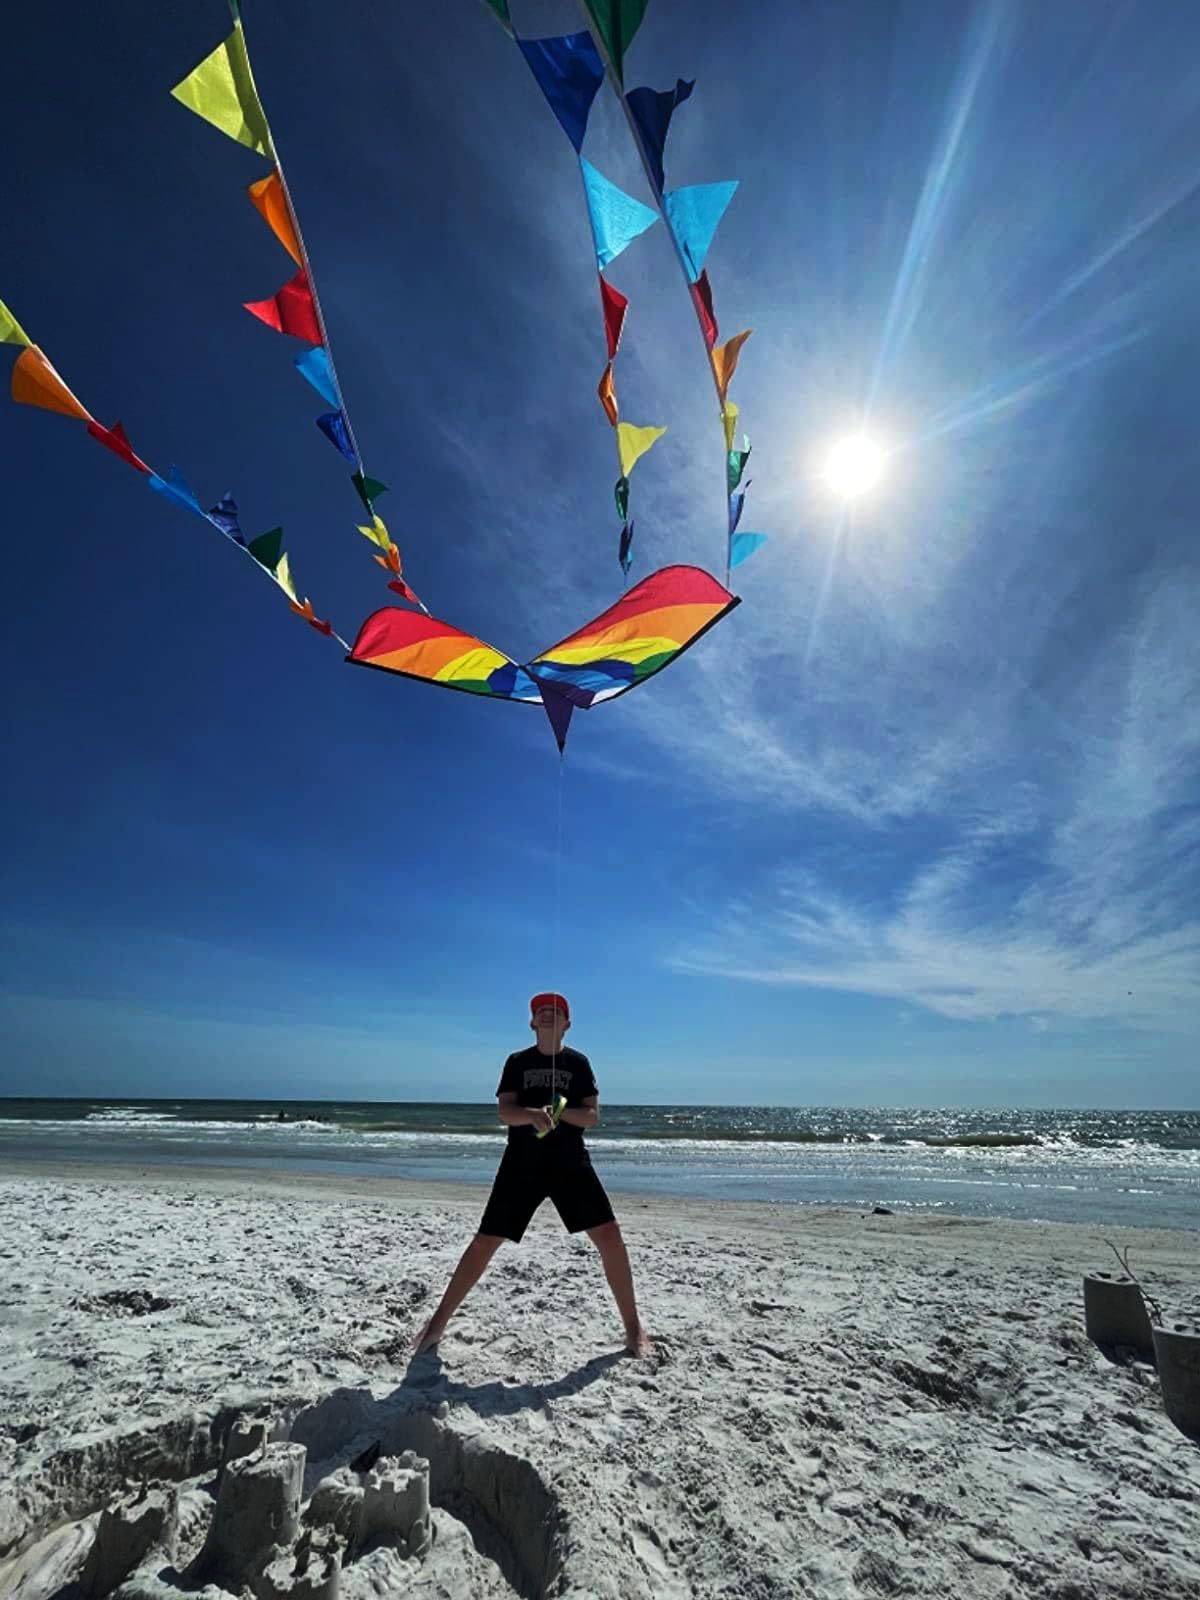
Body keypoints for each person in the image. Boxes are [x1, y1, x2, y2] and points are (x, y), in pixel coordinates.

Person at [413, 993, 651, 1358]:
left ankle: (634, 1330)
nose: (547, 1015)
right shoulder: (517, 1062)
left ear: (567, 1024)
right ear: (531, 1023)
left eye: (556, 1012)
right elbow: (505, 1112)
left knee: (610, 1235)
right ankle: (437, 1323)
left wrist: (559, 1114)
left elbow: (591, 1116)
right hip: (521, 1162)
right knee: (484, 1241)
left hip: (570, 1162)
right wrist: (532, 1114)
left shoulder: (579, 1063)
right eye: (541, 1011)